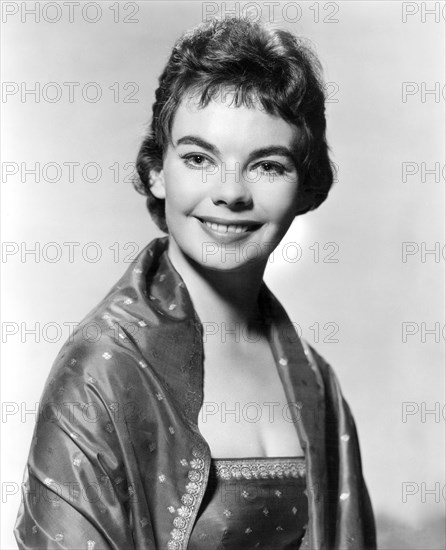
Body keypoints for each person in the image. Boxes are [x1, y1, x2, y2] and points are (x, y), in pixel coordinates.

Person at [14, 16, 376, 550]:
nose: (230, 192)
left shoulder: (316, 382)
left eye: (268, 166)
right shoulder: (103, 368)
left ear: (306, 186)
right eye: (199, 158)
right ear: (158, 170)